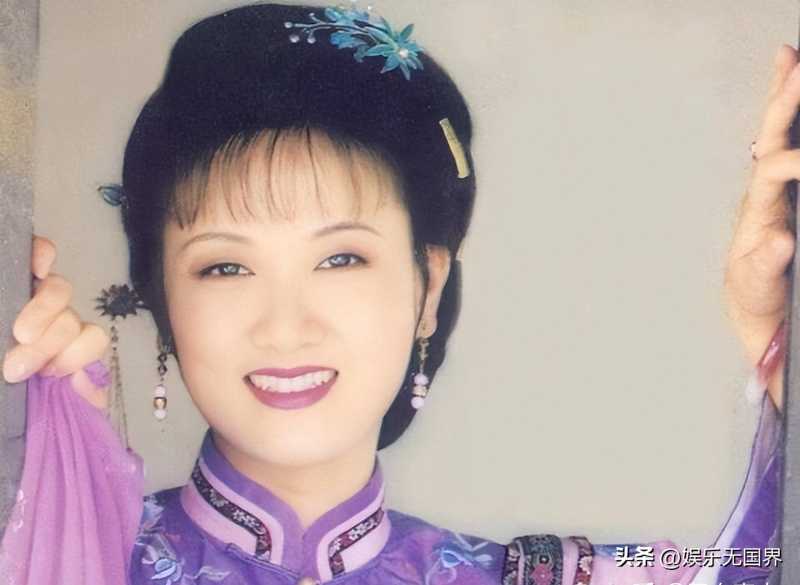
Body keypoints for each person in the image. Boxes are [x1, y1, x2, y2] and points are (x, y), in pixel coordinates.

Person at [0, 3, 795, 584]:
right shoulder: (66, 541)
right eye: (226, 267)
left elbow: (757, 559)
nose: (286, 325)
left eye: (341, 258)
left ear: (427, 286)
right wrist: (37, 478)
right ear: (163, 300)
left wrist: (775, 348)